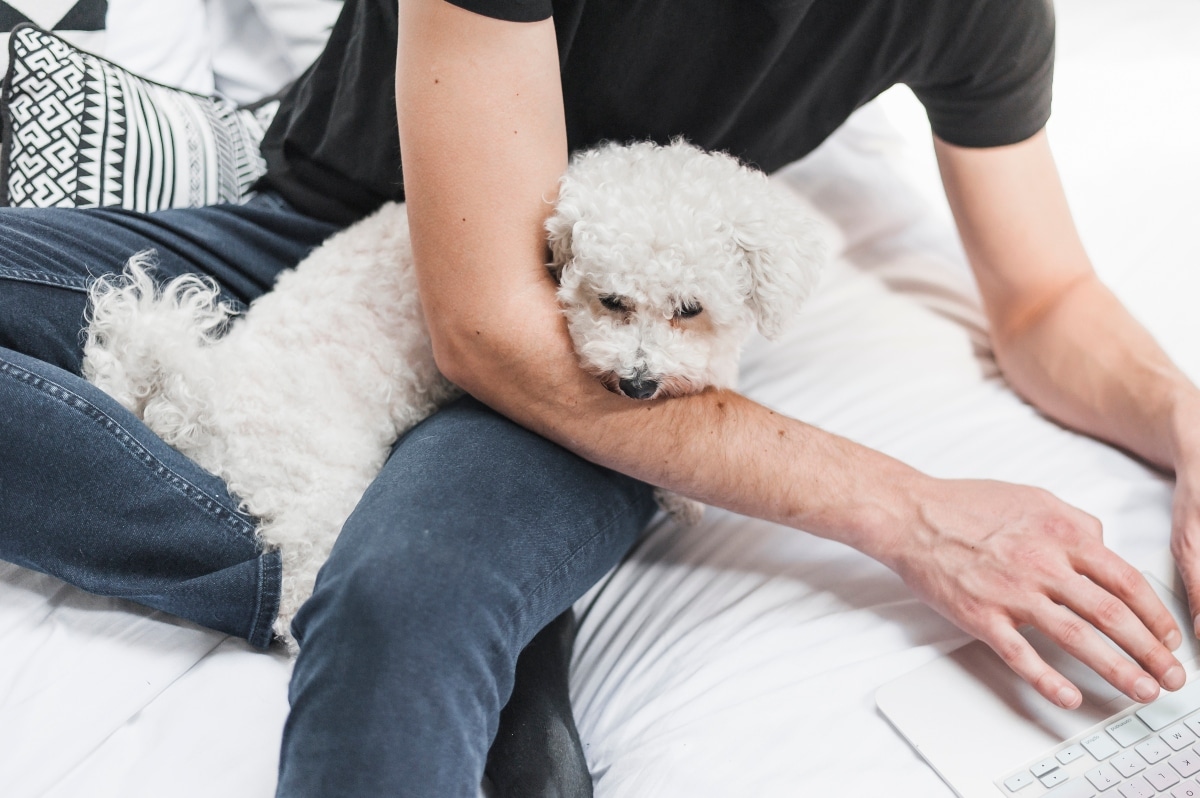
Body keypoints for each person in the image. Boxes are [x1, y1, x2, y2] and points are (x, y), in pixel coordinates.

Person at [2, 0, 1199, 796]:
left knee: (400, 607)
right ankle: (292, 564)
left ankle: (373, 568)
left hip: (606, 347)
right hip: (321, 234)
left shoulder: (979, 13)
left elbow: (1046, 296)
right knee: (374, 578)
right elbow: (480, 323)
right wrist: (912, 512)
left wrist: (1192, 427)